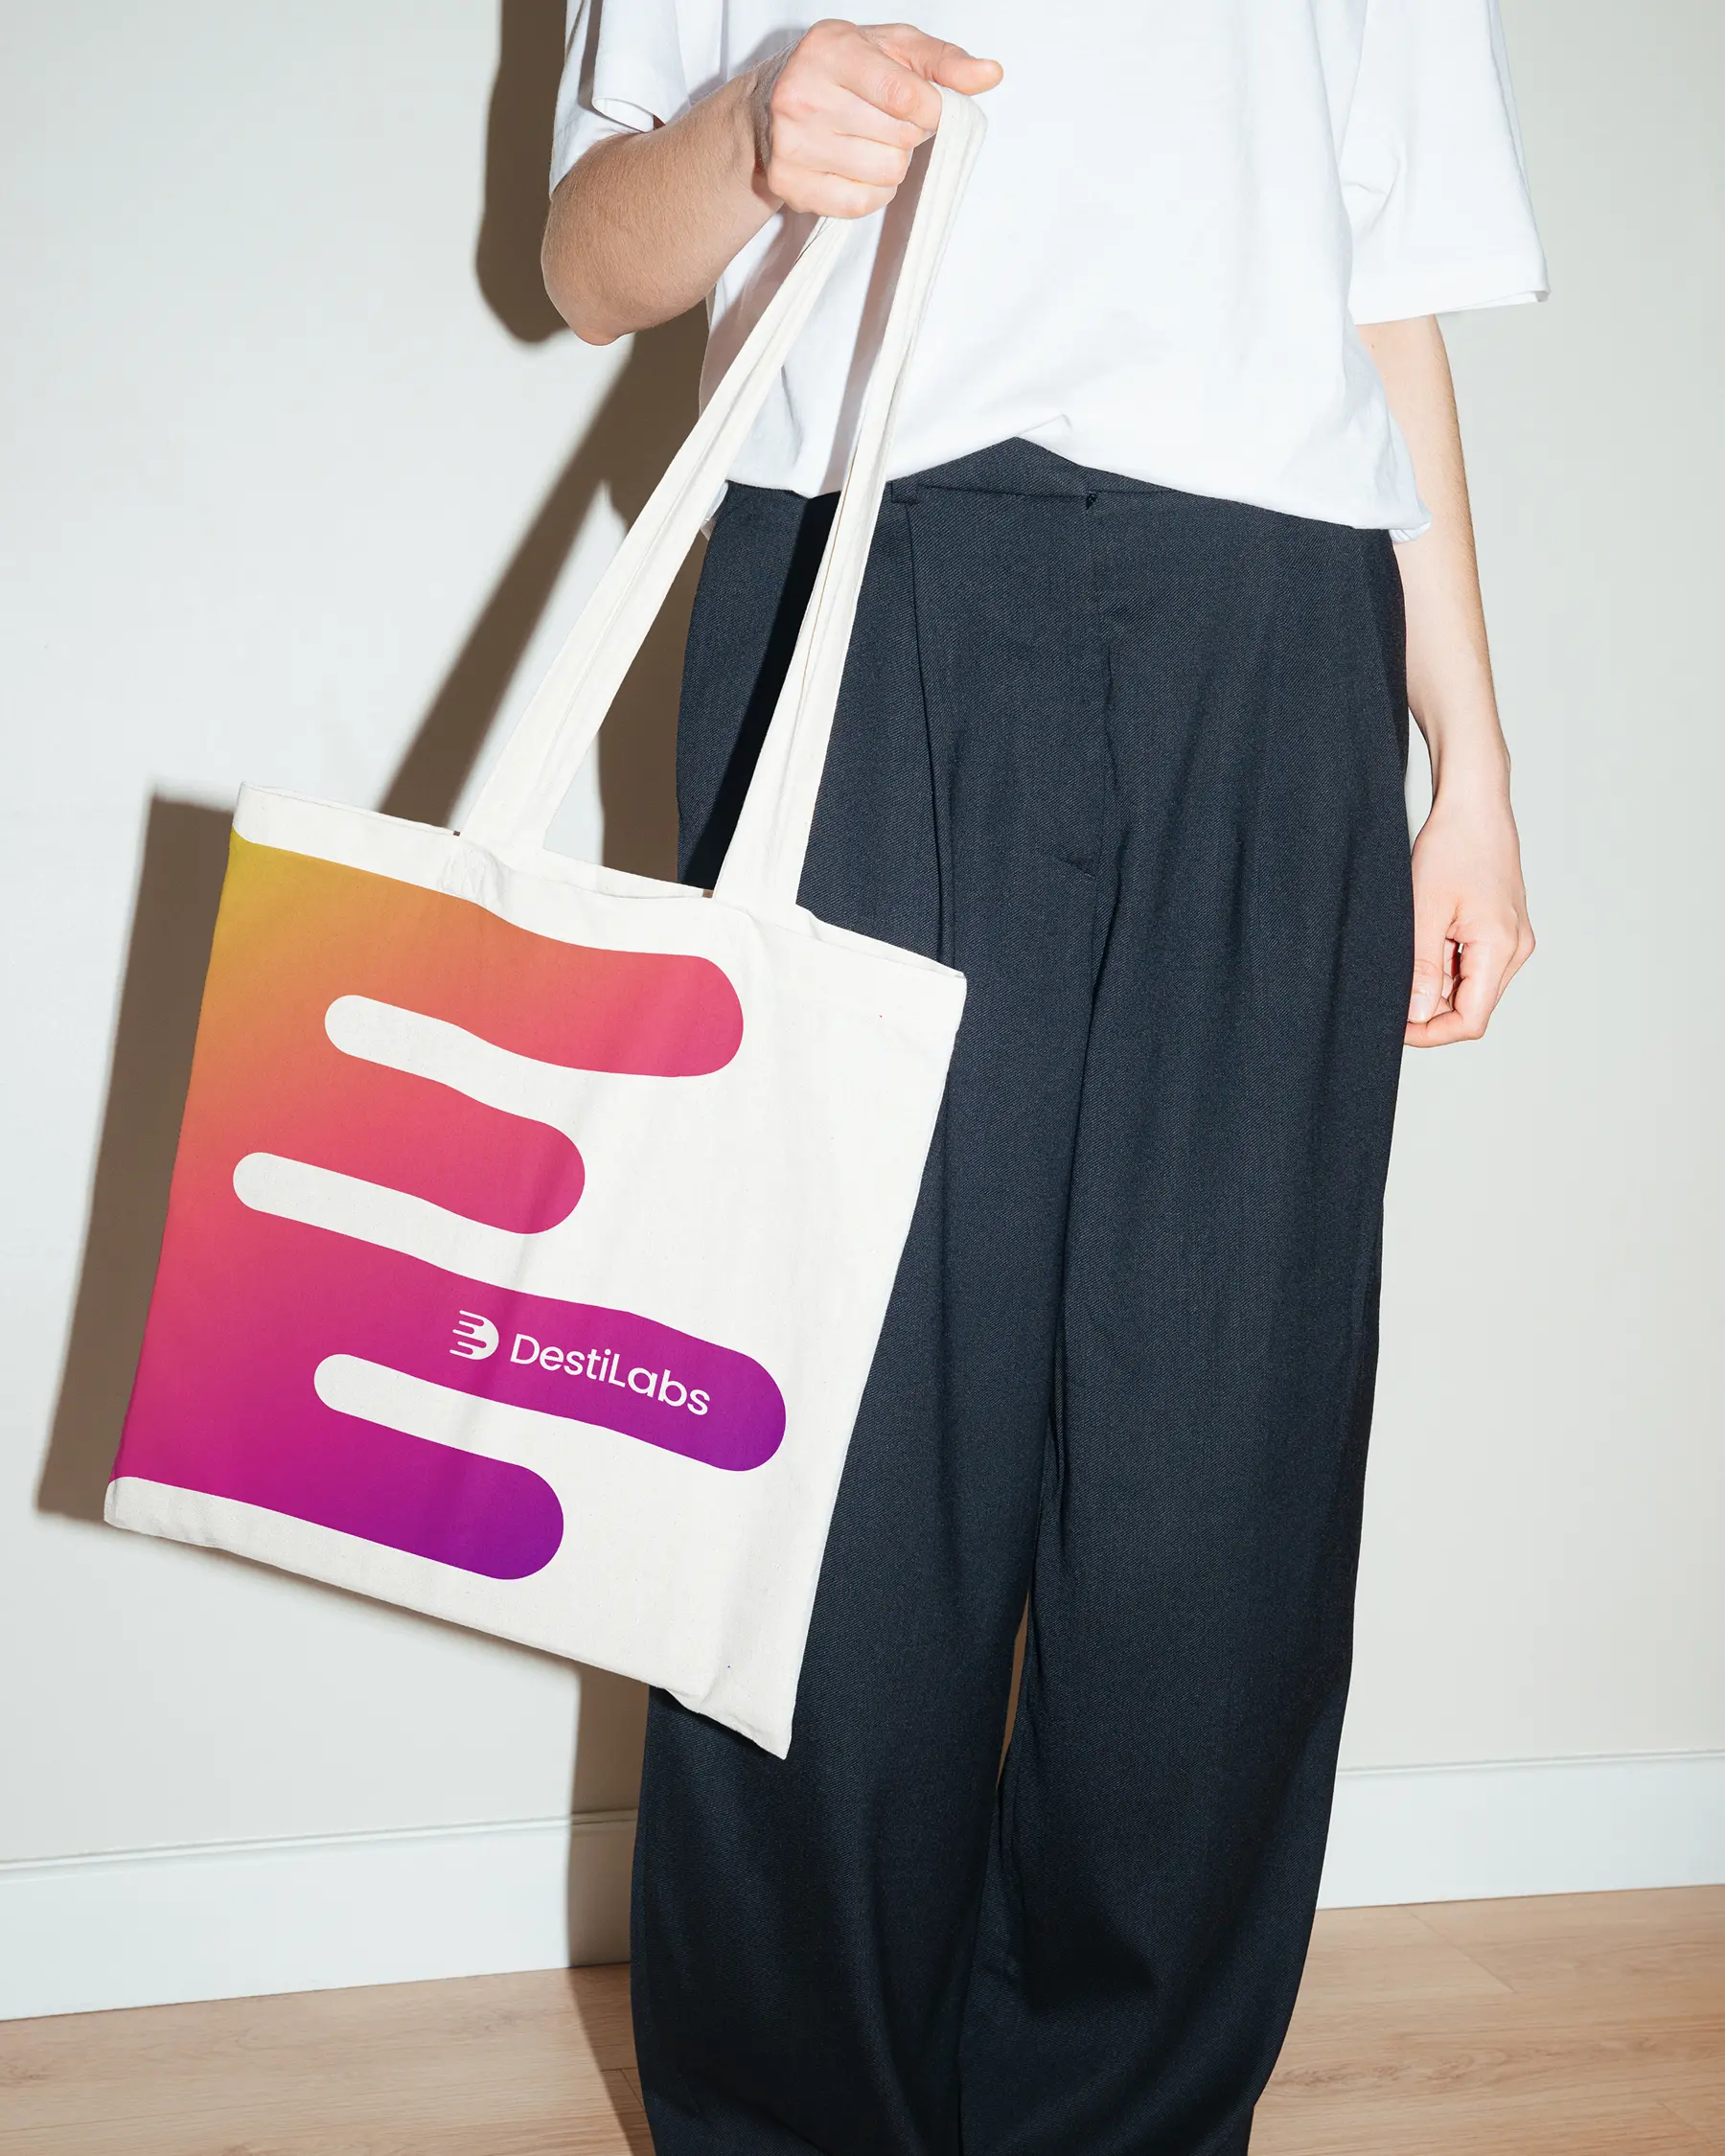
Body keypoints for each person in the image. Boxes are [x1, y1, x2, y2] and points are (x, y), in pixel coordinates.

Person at [541, 9, 1545, 2151]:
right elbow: (585, 263)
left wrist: (1471, 755)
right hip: (860, 586)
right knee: (822, 1466)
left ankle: (1128, 2119)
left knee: (1222, 1463)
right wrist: (749, 131)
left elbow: (1386, 301)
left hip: (1273, 629)